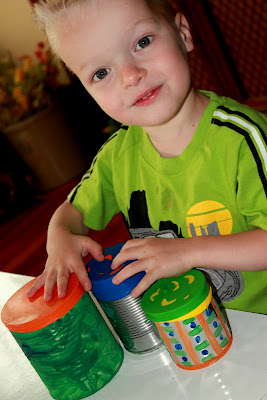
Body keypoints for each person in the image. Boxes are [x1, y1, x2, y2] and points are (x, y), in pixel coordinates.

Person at [27, 0, 267, 314]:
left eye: (142, 42)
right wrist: (58, 238)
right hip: (189, 326)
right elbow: (71, 213)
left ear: (183, 33)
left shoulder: (243, 139)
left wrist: (184, 253)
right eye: (101, 73)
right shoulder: (117, 156)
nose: (130, 76)